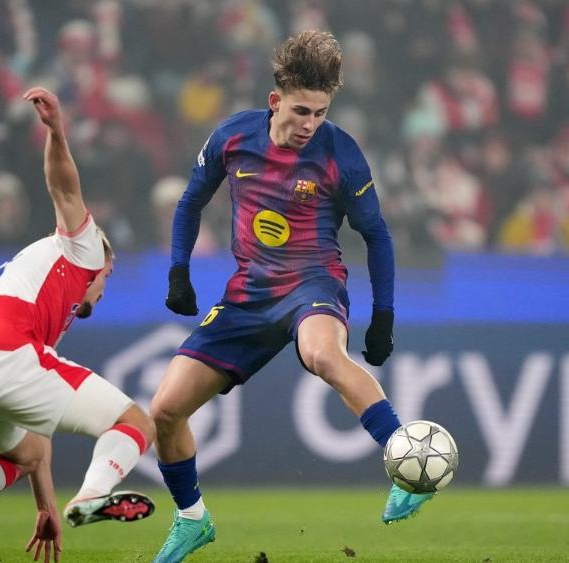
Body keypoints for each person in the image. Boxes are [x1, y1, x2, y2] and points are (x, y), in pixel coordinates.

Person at [150, 30, 433, 562]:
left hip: (312, 283)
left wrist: (383, 316)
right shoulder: (233, 137)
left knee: (323, 354)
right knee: (164, 410)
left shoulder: (340, 152)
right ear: (275, 100)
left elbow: (377, 235)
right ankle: (191, 519)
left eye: (320, 113)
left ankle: (407, 465)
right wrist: (178, 274)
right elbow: (190, 202)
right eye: (302, 111)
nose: (310, 125)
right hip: (249, 293)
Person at [0, 87, 156, 563]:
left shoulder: (31, 283)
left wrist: (46, 507)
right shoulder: (83, 249)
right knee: (135, 422)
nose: (103, 289)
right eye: (109, 276)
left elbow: (37, 440)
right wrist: (57, 130)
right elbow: (63, 186)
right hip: (1, 351)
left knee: (23, 452)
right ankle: (93, 494)